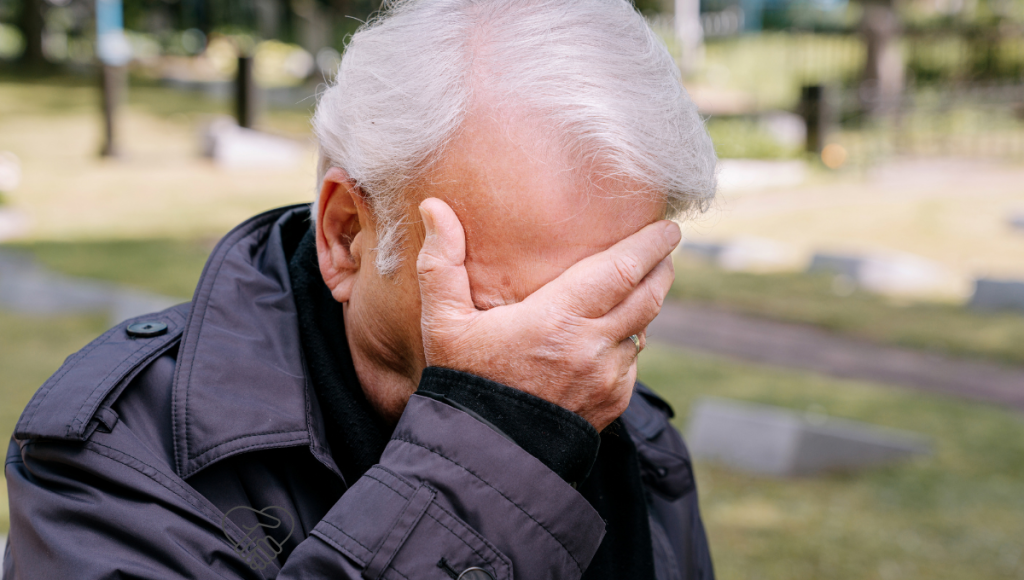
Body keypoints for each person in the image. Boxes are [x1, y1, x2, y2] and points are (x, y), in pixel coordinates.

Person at [3, 0, 718, 578]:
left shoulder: (634, 433)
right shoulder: (120, 457)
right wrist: (499, 447)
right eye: (509, 307)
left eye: (607, 309)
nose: (572, 357)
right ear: (346, 234)